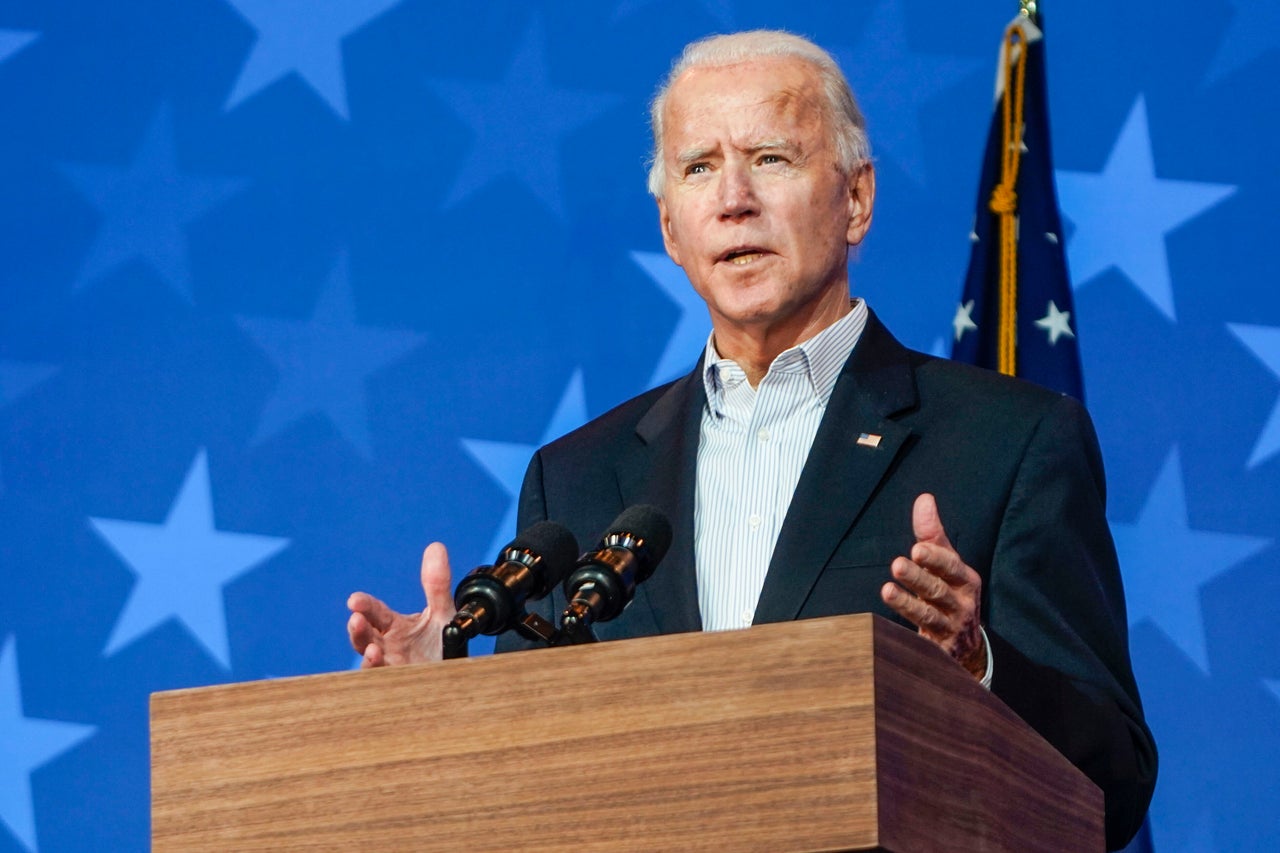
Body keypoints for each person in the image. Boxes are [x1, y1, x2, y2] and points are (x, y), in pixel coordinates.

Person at [347, 30, 1156, 849]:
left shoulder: (1007, 440)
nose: (733, 197)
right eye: (699, 168)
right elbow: (540, 790)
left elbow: (1113, 782)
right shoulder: (576, 479)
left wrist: (979, 669)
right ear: (670, 228)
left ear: (857, 198)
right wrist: (438, 704)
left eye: (770, 157)